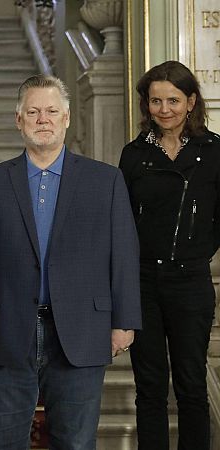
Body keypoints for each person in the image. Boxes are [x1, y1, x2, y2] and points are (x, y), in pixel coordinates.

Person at [0, 75, 142, 449]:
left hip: (82, 329)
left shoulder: (105, 180)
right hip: (7, 330)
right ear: (18, 120)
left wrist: (124, 321)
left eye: (51, 111)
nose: (42, 119)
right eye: (33, 112)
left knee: (75, 442)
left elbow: (123, 252)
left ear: (66, 118)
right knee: (0, 442)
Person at [119, 60, 219, 450]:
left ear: (191, 101)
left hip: (191, 283)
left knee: (192, 384)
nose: (164, 109)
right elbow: (121, 223)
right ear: (146, 105)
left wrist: (196, 253)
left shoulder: (214, 151)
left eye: (173, 100)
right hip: (143, 283)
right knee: (149, 387)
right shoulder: (133, 155)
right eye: (156, 101)